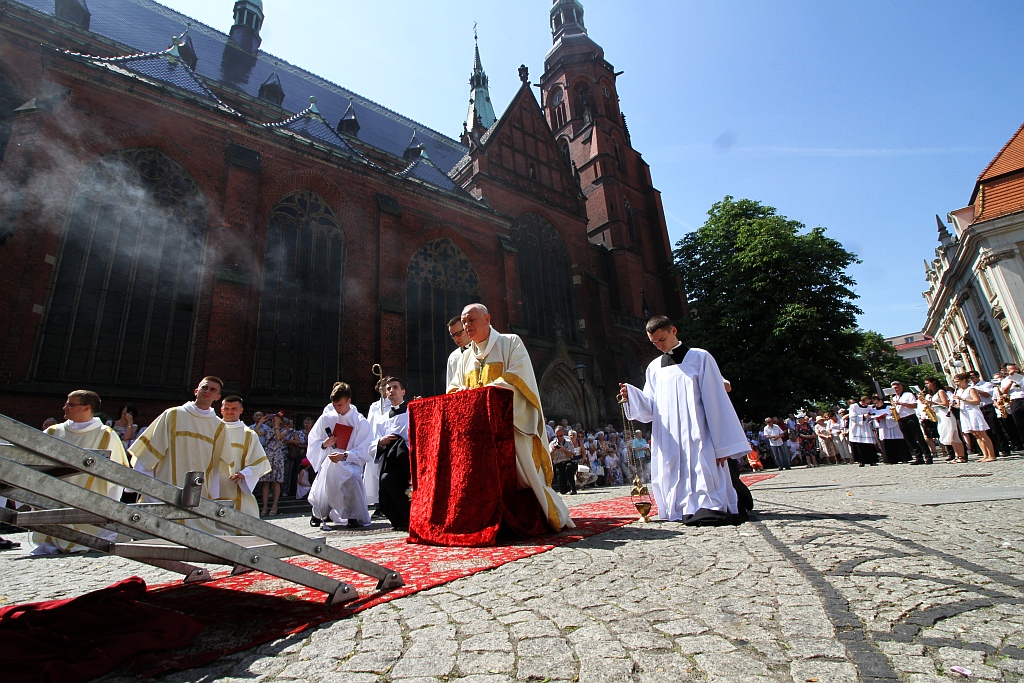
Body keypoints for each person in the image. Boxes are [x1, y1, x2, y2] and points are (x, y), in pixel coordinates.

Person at [449, 303, 573, 532]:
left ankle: (541, 513)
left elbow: (519, 375)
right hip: (480, 431)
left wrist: (486, 393)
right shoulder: (466, 357)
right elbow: (454, 388)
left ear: (487, 318)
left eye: (471, 320)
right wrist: (464, 396)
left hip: (511, 425)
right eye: (464, 322)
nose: (467, 326)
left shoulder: (510, 343)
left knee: (524, 477)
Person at [618, 315, 748, 526]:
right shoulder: (654, 367)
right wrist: (631, 396)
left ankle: (707, 506)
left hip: (699, 430)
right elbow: (650, 406)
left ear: (673, 331)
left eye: (662, 339)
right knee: (671, 469)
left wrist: (722, 445)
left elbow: (716, 400)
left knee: (702, 467)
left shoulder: (700, 357)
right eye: (654, 343)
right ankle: (678, 507)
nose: (659, 346)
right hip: (668, 434)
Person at [31, 390, 132, 554]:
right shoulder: (53, 432)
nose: (65, 407)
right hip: (53, 495)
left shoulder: (105, 435)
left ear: (86, 408)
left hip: (89, 502)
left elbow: (116, 477)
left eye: (70, 404)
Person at [130, 377, 231, 534]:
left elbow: (219, 463)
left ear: (218, 397)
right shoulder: (173, 415)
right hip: (167, 478)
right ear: (196, 391)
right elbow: (152, 449)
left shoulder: (219, 426)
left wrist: (215, 492)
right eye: (205, 387)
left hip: (199, 487)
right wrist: (142, 481)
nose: (207, 391)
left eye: (213, 390)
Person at [306, 382, 374, 529]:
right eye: (335, 405)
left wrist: (345, 456)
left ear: (349, 401)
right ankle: (318, 513)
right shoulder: (326, 418)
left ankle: (353, 516)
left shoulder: (359, 421)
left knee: (353, 477)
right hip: (329, 458)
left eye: (340, 405)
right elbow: (313, 441)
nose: (337, 409)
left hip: (350, 461)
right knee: (325, 476)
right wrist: (324, 444)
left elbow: (365, 448)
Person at [217, 396, 271, 527]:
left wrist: (245, 473)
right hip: (213, 483)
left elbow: (260, 462)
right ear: (221, 410)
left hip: (236, 484)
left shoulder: (248, 434)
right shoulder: (212, 430)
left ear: (241, 410)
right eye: (227, 408)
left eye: (234, 409)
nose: (230, 412)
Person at [369, 377, 412, 531]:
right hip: (391, 459)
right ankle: (403, 518)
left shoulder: (413, 411)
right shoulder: (382, 419)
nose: (391, 391)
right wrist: (381, 441)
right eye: (388, 389)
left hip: (410, 458)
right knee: (387, 480)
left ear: (403, 391)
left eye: (395, 387)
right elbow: (372, 443)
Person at [953, 373, 996, 462]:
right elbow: (960, 405)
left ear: (964, 380)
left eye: (957, 381)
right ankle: (985, 455)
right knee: (976, 435)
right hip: (965, 413)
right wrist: (953, 405)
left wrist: (962, 399)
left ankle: (991, 455)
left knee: (982, 434)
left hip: (973, 412)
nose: (956, 383)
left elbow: (977, 401)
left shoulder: (971, 389)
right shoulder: (959, 391)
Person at [923, 377, 965, 462]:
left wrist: (932, 403)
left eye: (927, 383)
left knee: (953, 435)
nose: (926, 385)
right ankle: (957, 456)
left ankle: (962, 456)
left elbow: (945, 404)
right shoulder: (933, 394)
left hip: (946, 414)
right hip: (940, 415)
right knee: (950, 437)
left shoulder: (940, 391)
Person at [891, 381, 931, 465]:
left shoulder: (908, 394)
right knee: (909, 439)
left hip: (910, 417)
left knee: (919, 437)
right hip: (901, 419)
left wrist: (901, 403)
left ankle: (928, 456)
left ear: (901, 387)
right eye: (893, 388)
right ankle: (918, 457)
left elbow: (914, 405)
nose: (895, 390)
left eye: (896, 387)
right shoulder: (894, 398)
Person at [258, 412, 288, 516]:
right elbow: (255, 432)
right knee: (266, 482)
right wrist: (261, 422)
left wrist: (276, 426)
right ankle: (265, 506)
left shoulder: (284, 430)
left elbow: (279, 437)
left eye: (277, 418)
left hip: (277, 456)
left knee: (276, 482)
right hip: (268, 455)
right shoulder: (267, 430)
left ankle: (274, 505)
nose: (274, 420)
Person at [848, 395, 879, 467]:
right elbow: (852, 417)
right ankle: (861, 461)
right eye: (866, 403)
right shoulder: (854, 406)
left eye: (868, 403)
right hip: (857, 427)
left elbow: (872, 414)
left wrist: (871, 417)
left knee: (869, 444)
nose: (867, 405)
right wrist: (863, 416)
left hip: (866, 427)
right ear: (862, 401)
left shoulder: (869, 407)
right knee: (859, 445)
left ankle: (872, 460)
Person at [445, 316, 471, 388]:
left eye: (458, 333)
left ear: (466, 329)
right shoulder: (453, 357)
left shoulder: (480, 349)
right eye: (453, 335)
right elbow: (450, 385)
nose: (456, 338)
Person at [549, 426, 576, 495]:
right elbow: (550, 458)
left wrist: (564, 450)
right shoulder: (552, 444)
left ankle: (573, 488)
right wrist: (553, 450)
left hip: (568, 462)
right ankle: (566, 486)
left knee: (568, 467)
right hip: (559, 465)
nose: (559, 438)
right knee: (563, 491)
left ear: (563, 434)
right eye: (557, 436)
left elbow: (572, 455)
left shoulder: (568, 442)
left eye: (561, 436)